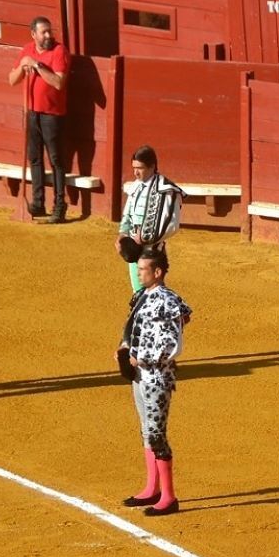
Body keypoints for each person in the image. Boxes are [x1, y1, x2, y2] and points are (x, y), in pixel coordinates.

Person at [118, 248, 192, 516]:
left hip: (157, 376)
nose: (138, 274)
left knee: (157, 435)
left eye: (142, 270)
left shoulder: (167, 301)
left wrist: (141, 357)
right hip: (140, 375)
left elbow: (172, 344)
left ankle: (169, 498)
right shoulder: (141, 296)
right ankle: (152, 488)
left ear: (158, 272)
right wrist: (124, 349)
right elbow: (132, 328)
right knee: (146, 430)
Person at [8, 16, 71, 223]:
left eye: (49, 31)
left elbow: (58, 83)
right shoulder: (27, 49)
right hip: (32, 111)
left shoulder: (59, 51)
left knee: (56, 160)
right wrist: (23, 66)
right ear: (33, 34)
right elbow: (12, 80)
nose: (48, 35)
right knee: (34, 158)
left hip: (53, 114)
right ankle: (38, 203)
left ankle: (59, 206)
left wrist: (36, 65)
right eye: (43, 32)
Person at [117, 146, 183, 292]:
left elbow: (171, 225)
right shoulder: (135, 186)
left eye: (140, 168)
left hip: (152, 249)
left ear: (152, 166)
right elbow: (127, 213)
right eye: (134, 167)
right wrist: (122, 234)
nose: (135, 172)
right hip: (134, 246)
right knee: (138, 288)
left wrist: (146, 237)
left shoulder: (165, 190)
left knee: (151, 288)